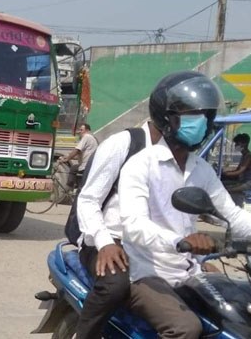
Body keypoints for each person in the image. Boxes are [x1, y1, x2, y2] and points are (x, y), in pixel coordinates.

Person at [118, 71, 251, 339]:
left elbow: (233, 217)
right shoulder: (141, 165)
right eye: (192, 113)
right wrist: (181, 241)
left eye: (206, 114)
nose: (201, 121)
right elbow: (133, 225)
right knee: (186, 329)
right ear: (167, 117)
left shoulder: (202, 170)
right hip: (147, 273)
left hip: (190, 270)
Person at [73, 119, 162, 339]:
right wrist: (105, 244)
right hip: (108, 241)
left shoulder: (181, 155)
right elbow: (88, 199)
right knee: (114, 285)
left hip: (150, 247)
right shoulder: (124, 143)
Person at [222, 133, 251, 206]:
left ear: (244, 144)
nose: (236, 145)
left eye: (237, 143)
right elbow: (237, 169)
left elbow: (240, 171)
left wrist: (226, 173)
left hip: (249, 184)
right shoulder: (244, 155)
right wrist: (226, 172)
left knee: (227, 190)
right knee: (223, 184)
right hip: (242, 181)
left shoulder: (249, 156)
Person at [57, 123, 98, 190]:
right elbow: (78, 156)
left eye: (81, 130)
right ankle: (75, 186)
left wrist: (66, 159)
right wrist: (66, 157)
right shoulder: (92, 138)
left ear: (87, 130)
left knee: (73, 168)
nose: (79, 132)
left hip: (85, 166)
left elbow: (77, 150)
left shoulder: (86, 136)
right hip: (91, 165)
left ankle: (68, 188)